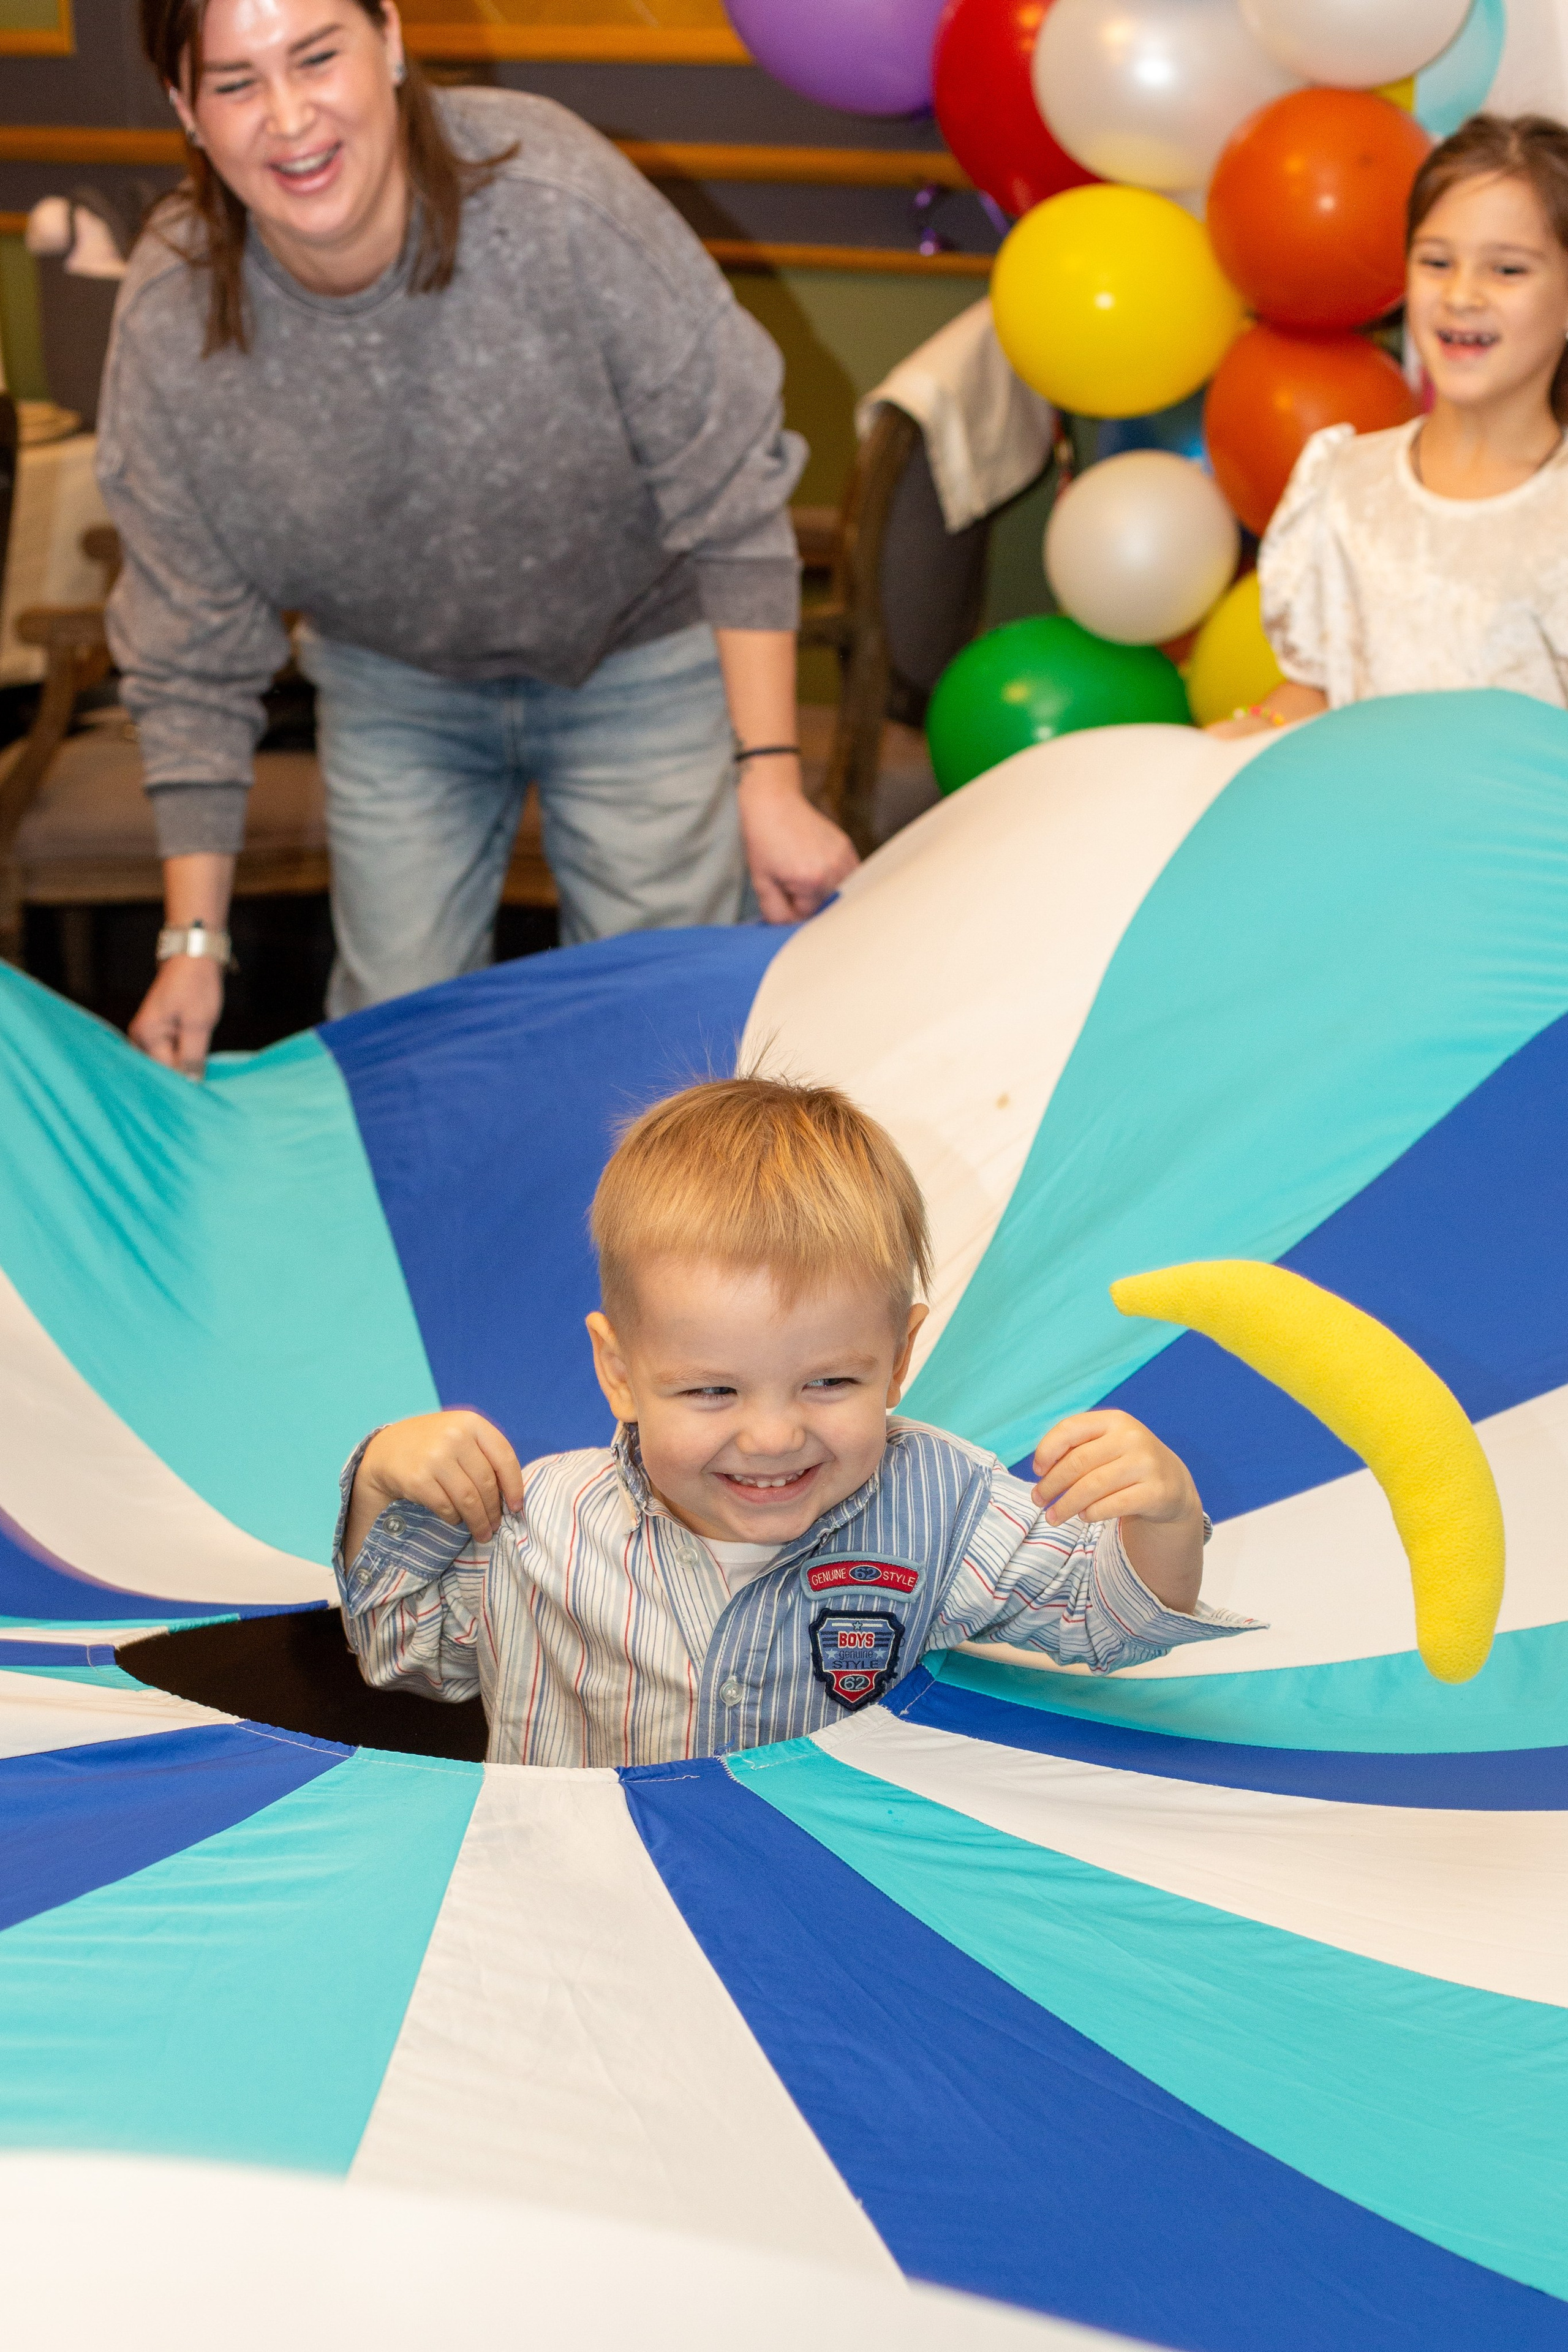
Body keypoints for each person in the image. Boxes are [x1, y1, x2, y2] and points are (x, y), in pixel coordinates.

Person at [105, 0, 858, 1075]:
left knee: (666, 1041)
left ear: (392, 41)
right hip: (394, 679)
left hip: (638, 653)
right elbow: (188, 650)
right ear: (186, 108)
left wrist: (770, 778)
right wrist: (194, 943)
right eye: (235, 83)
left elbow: (732, 491)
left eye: (319, 58)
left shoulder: (554, 196)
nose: (289, 117)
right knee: (394, 1041)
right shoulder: (171, 315)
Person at [333, 1076, 1257, 1765]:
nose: (773, 1437)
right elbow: (400, 1650)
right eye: (712, 1392)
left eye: (827, 1384)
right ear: (620, 1372)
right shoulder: (540, 1521)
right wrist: (383, 1475)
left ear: (897, 1358)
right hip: (580, 1923)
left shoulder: (945, 1505)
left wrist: (1160, 1522)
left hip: (819, 1925)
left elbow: (1108, 1625)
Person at [1214, 112, 1568, 740]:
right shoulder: (1343, 483)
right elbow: (1318, 687)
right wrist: (1238, 738)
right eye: (1436, 262)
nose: (1462, 294)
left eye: (1507, 269)